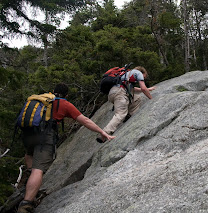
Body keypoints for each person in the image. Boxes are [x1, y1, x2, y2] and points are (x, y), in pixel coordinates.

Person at [17, 83, 115, 213]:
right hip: (45, 135)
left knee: (29, 154)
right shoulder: (64, 104)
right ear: (66, 95)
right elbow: (85, 121)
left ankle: (28, 181)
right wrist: (102, 132)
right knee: (38, 170)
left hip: (29, 132)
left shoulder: (41, 99)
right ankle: (26, 204)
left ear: (53, 91)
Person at [99, 66, 155, 139]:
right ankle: (104, 134)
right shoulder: (138, 73)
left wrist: (148, 89)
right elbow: (143, 88)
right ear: (143, 72)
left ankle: (128, 115)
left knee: (137, 98)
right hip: (120, 93)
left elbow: (133, 89)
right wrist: (151, 99)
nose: (144, 78)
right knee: (120, 114)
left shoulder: (126, 75)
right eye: (145, 76)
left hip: (113, 93)